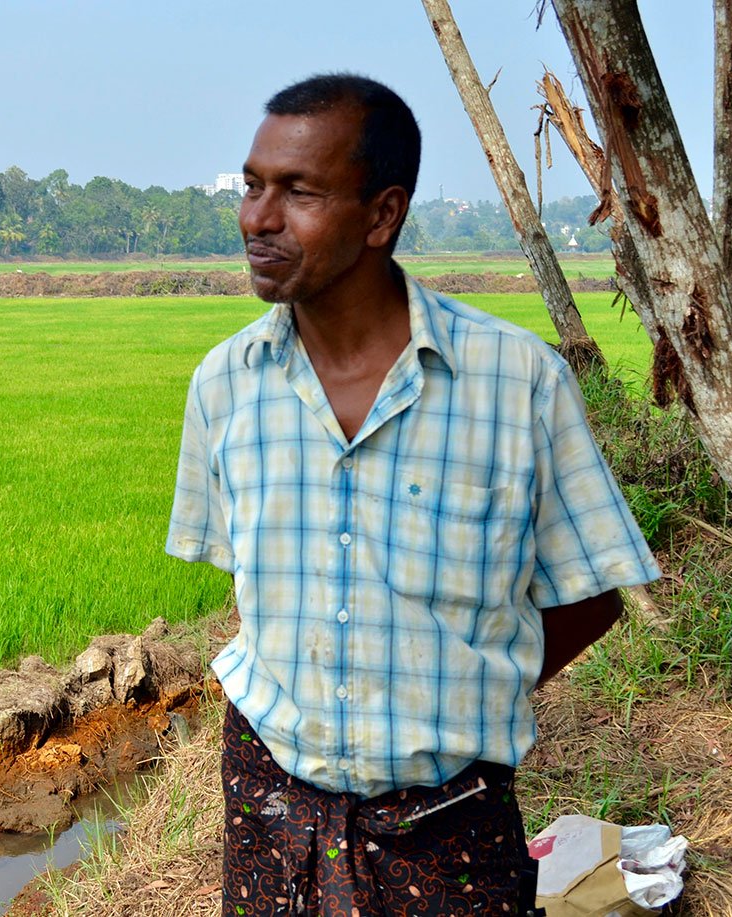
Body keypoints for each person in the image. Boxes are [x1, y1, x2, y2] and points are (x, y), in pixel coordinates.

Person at [166, 74, 660, 917]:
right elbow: (256, 591)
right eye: (253, 185)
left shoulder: (516, 382)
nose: (257, 217)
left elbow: (592, 594)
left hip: (447, 819)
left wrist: (461, 691)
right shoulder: (225, 386)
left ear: (382, 215)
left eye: (299, 191)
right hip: (272, 805)